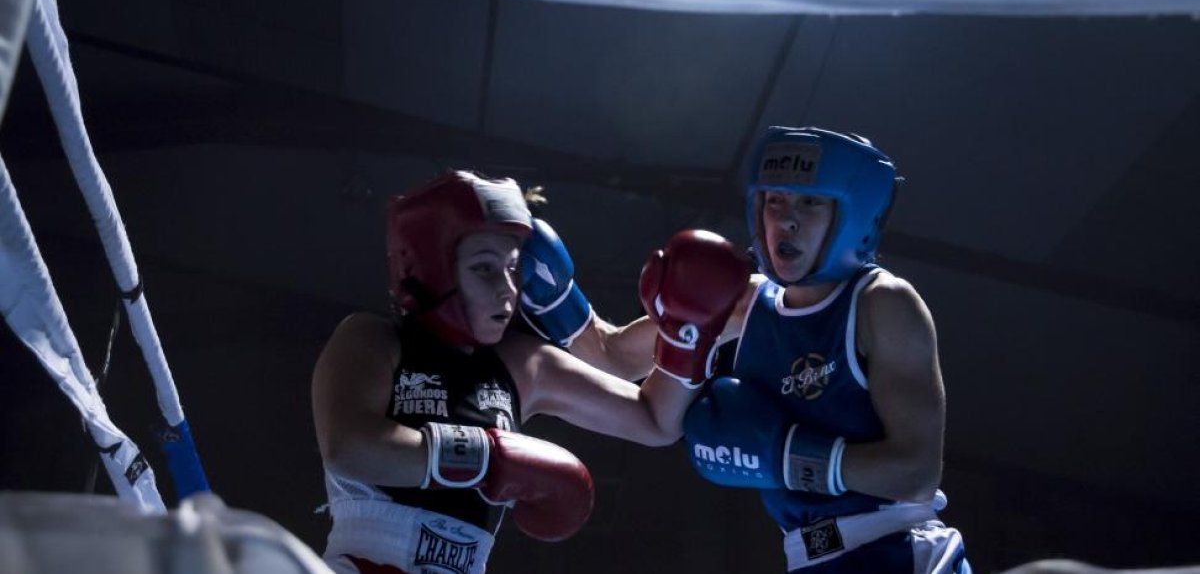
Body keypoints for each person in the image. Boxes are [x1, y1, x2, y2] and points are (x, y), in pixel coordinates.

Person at [310, 170, 748, 574]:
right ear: (430, 265)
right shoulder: (373, 339)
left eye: (514, 268)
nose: (507, 287)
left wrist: (689, 333)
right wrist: (491, 459)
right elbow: (349, 448)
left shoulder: (524, 364)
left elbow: (655, 420)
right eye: (484, 268)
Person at [671, 126, 972, 572]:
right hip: (809, 556)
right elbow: (612, 354)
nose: (786, 220)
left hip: (898, 549)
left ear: (851, 215)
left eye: (810, 201)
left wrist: (787, 457)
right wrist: (556, 299)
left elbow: (917, 474)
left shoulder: (881, 303)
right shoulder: (740, 304)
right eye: (775, 200)